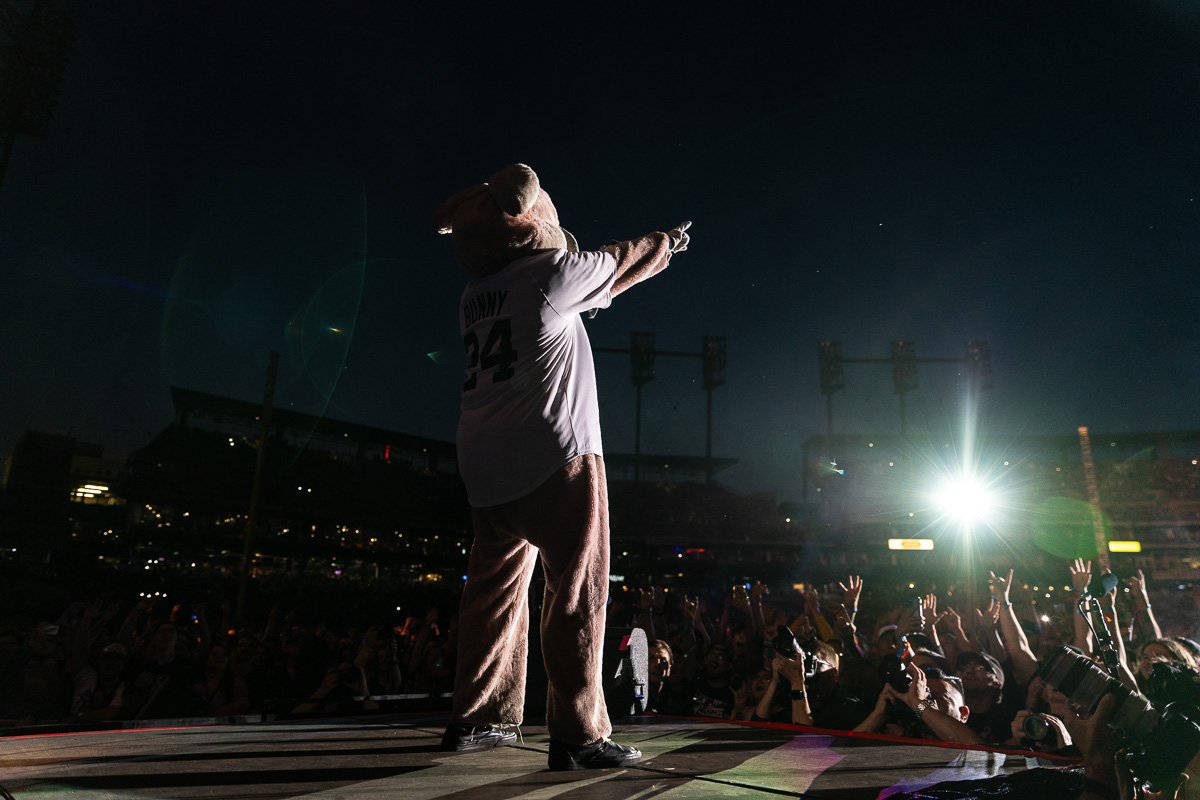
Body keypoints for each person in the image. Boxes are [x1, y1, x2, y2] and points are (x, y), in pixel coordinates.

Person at [434, 163, 691, 771]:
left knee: (492, 598)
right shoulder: (551, 274)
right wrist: (664, 243)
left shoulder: (472, 297)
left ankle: (479, 718)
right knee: (577, 593)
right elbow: (618, 261)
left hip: (483, 463)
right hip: (556, 458)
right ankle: (579, 735)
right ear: (528, 220)